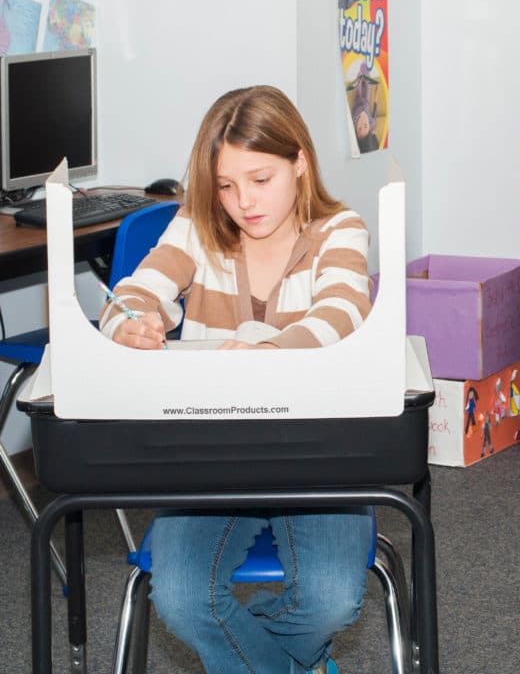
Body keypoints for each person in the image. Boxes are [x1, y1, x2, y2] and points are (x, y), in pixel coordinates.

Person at [99, 85, 374, 674]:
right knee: (179, 597)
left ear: (299, 162)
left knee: (331, 601)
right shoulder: (196, 225)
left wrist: (258, 351)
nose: (242, 202)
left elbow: (341, 317)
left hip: (317, 453)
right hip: (210, 452)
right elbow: (129, 296)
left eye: (259, 179)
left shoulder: (339, 230)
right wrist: (132, 324)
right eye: (226, 185)